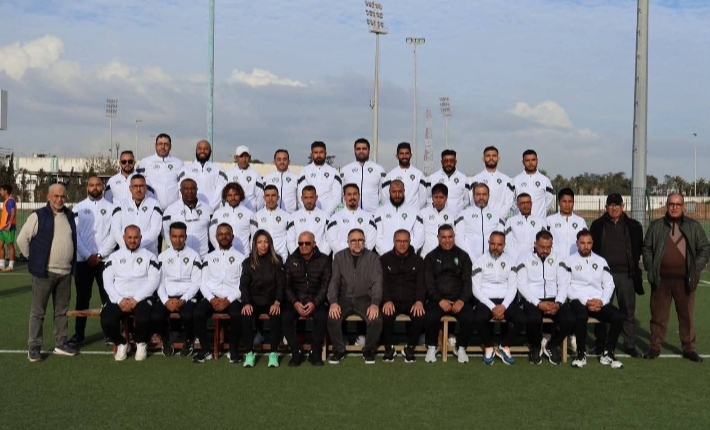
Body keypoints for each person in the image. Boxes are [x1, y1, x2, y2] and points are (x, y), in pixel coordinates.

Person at [642, 193, 709, 362]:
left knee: (686, 317)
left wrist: (695, 268)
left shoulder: (693, 226)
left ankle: (689, 349)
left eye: (678, 204)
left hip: (685, 280)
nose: (674, 207)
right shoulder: (656, 226)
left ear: (683, 206)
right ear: (667, 205)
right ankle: (654, 347)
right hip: (661, 280)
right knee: (658, 316)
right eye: (671, 204)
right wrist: (651, 267)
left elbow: (704, 248)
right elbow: (647, 248)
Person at [17, 184, 78, 361]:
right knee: (38, 312)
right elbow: (22, 239)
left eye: (62, 196)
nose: (59, 199)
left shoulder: (69, 216)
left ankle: (61, 343)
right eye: (56, 196)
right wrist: (33, 259)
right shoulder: (38, 216)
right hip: (44, 273)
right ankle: (34, 347)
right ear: (48, 197)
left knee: (62, 311)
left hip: (65, 273)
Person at [558, 230, 625, 369]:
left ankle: (608, 353)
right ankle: (581, 355)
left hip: (598, 301)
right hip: (578, 300)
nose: (586, 246)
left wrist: (602, 301)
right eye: (582, 243)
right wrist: (585, 301)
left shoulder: (601, 261)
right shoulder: (568, 262)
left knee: (618, 316)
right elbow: (565, 286)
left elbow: (609, 284)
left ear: (592, 243)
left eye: (588, 243)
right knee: (581, 316)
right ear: (577, 243)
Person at [589, 193, 644, 357]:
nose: (614, 208)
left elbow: (638, 248)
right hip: (603, 275)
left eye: (617, 205)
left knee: (628, 311)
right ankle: (600, 344)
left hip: (626, 274)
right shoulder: (597, 225)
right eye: (611, 205)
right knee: (603, 310)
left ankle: (630, 344)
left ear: (623, 206)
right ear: (606, 207)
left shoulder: (634, 226)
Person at [101, 225, 161, 361]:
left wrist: (136, 299)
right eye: (129, 237)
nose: (132, 240)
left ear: (140, 238)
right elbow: (107, 282)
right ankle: (121, 343)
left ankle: (141, 343)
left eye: (135, 237)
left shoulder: (149, 256)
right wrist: (119, 300)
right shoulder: (114, 257)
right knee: (106, 320)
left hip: (142, 298)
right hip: (119, 298)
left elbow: (154, 281)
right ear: (124, 238)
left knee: (144, 318)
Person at [69, 176, 116, 346]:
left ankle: (110, 333)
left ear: (102, 187)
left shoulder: (112, 208)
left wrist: (100, 255)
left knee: (108, 297)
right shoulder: (78, 207)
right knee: (82, 298)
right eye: (91, 185)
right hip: (83, 260)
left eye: (98, 185)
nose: (95, 188)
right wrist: (88, 254)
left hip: (105, 260)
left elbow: (114, 234)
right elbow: (75, 234)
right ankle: (79, 334)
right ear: (87, 187)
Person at [326, 229, 383, 364]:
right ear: (348, 242)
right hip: (344, 297)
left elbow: (377, 282)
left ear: (364, 241)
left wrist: (375, 303)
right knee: (332, 318)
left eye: (360, 240)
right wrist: (333, 302)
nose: (357, 243)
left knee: (376, 319)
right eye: (353, 241)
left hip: (365, 297)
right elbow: (334, 282)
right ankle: (338, 350)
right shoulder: (339, 257)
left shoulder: (373, 258)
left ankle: (368, 350)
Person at [193, 223, 246, 363]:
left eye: (227, 234)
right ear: (216, 237)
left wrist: (228, 300)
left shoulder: (241, 258)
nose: (224, 237)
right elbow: (203, 282)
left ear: (232, 236)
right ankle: (205, 350)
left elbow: (243, 285)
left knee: (237, 314)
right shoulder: (209, 257)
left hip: (232, 298)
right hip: (213, 297)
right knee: (197, 313)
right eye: (220, 234)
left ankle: (233, 350)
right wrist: (211, 299)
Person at [515, 230, 570, 365]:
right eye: (542, 247)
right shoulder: (524, 258)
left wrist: (558, 303)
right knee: (533, 318)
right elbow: (521, 284)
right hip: (532, 298)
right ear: (535, 244)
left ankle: (552, 346)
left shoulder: (559, 258)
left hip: (553, 298)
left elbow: (563, 283)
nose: (545, 250)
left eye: (548, 247)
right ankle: (535, 346)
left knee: (569, 318)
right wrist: (538, 303)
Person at [423, 224, 474, 364]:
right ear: (438, 238)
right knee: (431, 315)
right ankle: (432, 346)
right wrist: (440, 300)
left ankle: (461, 347)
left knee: (469, 316)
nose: (447, 240)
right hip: (438, 300)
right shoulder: (430, 257)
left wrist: (462, 300)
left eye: (450, 237)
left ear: (454, 237)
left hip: (458, 299)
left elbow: (467, 282)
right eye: (444, 237)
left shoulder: (463, 256)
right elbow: (429, 283)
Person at [472, 231, 525, 365]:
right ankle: (489, 347)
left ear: (504, 245)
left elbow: (513, 287)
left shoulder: (511, 262)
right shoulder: (479, 261)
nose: (495, 247)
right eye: (493, 244)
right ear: (488, 243)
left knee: (522, 318)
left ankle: (504, 346)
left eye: (499, 245)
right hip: (486, 300)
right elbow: (476, 289)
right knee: (478, 318)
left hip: (505, 300)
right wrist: (493, 307)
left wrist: (504, 306)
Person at [152, 222, 202, 358]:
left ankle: (189, 339)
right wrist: (166, 301)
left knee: (188, 315)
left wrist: (183, 299)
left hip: (187, 296)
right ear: (170, 237)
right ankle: (166, 339)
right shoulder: (162, 257)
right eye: (174, 236)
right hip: (167, 296)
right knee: (156, 316)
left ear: (185, 237)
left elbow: (196, 283)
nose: (178, 240)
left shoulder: (194, 256)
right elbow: (159, 282)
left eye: (181, 236)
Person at [283, 231, 331, 366]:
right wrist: (295, 302)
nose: (303, 246)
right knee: (285, 317)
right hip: (296, 300)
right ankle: (296, 351)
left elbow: (325, 285)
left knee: (322, 316)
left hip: (316, 300)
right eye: (300, 243)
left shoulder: (324, 260)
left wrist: (314, 303)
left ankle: (315, 352)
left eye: (307, 243)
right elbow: (286, 285)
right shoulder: (291, 260)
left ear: (314, 244)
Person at [240, 230, 285, 368]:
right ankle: (249, 353)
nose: (263, 245)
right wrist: (246, 303)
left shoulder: (277, 260)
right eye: (260, 242)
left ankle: (273, 353)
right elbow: (244, 285)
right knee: (246, 315)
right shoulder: (248, 262)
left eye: (266, 242)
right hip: (254, 301)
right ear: (255, 244)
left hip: (271, 301)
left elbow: (281, 284)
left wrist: (277, 302)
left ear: (270, 243)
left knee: (276, 315)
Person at [379, 229, 425, 363]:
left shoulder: (418, 260)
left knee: (420, 315)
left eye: (405, 241)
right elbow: (382, 283)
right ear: (393, 242)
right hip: (392, 300)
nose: (402, 244)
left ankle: (410, 348)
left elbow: (421, 284)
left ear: (410, 242)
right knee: (386, 314)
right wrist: (386, 300)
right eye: (399, 241)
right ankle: (389, 348)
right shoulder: (384, 259)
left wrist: (419, 301)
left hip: (411, 301)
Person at [110, 174, 163, 256]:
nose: (138, 189)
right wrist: (128, 246)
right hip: (126, 254)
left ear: (145, 188)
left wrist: (137, 245)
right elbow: (116, 230)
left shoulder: (155, 204)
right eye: (135, 186)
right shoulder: (120, 204)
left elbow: (155, 230)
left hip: (149, 254)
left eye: (141, 186)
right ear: (130, 188)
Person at [162, 178, 213, 257]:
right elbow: (166, 233)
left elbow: (212, 233)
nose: (190, 191)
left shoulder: (207, 210)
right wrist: (175, 248)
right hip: (180, 257)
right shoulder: (170, 210)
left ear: (197, 190)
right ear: (180, 190)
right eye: (186, 189)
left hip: (202, 256)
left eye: (193, 188)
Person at [454, 183, 505, 261]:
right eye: (478, 194)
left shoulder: (497, 216)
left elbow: (499, 239)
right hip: (468, 261)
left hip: (490, 261)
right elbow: (458, 239)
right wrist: (471, 258)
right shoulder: (464, 215)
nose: (481, 197)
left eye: (484, 194)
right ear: (473, 196)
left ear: (488, 196)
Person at [374, 179, 424, 255]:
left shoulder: (415, 212)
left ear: (404, 191)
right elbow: (377, 237)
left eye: (400, 192)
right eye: (394, 192)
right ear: (389, 192)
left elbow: (419, 236)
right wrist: (388, 254)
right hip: (386, 256)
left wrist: (407, 252)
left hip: (409, 256)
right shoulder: (380, 212)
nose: (397, 195)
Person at [137, 133, 184, 210]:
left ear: (170, 146)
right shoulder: (145, 162)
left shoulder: (179, 163)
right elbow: (136, 183)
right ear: (155, 145)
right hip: (152, 208)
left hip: (174, 209)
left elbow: (183, 184)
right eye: (160, 144)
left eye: (166, 144)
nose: (163, 147)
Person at [177, 140, 228, 210]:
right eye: (199, 149)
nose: (202, 151)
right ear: (196, 151)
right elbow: (181, 191)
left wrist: (208, 209)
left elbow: (220, 192)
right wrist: (190, 207)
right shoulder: (185, 170)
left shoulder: (219, 170)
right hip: (191, 210)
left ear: (211, 152)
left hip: (213, 211)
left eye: (206, 149)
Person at [327, 183, 377, 253]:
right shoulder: (335, 218)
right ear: (344, 197)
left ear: (359, 196)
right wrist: (345, 255)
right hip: (341, 257)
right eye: (349, 194)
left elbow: (371, 240)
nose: (352, 197)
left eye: (355, 194)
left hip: (363, 257)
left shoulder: (368, 217)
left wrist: (361, 253)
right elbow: (332, 240)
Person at [209, 182, 256, 255]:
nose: (233, 198)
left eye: (236, 195)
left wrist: (250, 251)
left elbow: (255, 235)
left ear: (240, 195)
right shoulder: (217, 214)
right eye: (230, 195)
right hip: (223, 255)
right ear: (226, 197)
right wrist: (219, 249)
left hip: (244, 255)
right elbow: (212, 234)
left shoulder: (249, 214)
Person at [340, 138, 386, 212]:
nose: (361, 151)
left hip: (372, 214)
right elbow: (341, 193)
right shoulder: (345, 170)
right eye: (358, 149)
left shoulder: (379, 170)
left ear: (369, 150)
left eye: (364, 149)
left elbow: (383, 195)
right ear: (354, 151)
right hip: (351, 214)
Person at [469, 146, 515, 219]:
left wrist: (497, 217)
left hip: (500, 220)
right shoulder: (476, 179)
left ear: (498, 159)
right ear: (483, 159)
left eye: (494, 156)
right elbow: (472, 200)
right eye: (488, 156)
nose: (491, 158)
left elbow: (509, 202)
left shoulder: (507, 180)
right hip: (481, 219)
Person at [297, 141, 342, 215]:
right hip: (309, 214)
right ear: (311, 154)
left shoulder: (334, 172)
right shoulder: (304, 171)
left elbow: (337, 197)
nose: (318, 155)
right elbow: (300, 195)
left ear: (325, 154)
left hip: (329, 215)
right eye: (316, 152)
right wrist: (310, 212)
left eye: (321, 152)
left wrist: (325, 214)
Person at [382, 142, 428, 210]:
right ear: (397, 156)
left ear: (411, 155)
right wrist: (394, 210)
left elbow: (423, 197)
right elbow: (385, 197)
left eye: (407, 153)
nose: (404, 156)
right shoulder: (390, 176)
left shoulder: (419, 175)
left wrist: (414, 210)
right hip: (395, 213)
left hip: (414, 212)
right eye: (401, 154)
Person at [503, 193, 548, 261]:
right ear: (518, 205)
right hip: (515, 260)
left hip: (535, 260)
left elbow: (544, 243)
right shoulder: (511, 222)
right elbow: (506, 244)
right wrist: (515, 258)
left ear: (531, 204)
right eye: (522, 203)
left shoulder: (541, 222)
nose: (525, 205)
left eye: (528, 203)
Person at [287, 185, 331, 255]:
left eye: (311, 197)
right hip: (299, 257)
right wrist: (297, 256)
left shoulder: (325, 216)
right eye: (306, 198)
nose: (309, 201)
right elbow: (290, 240)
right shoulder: (294, 217)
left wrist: (322, 256)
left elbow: (328, 240)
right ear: (302, 198)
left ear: (316, 198)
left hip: (319, 257)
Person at [425, 149, 470, 216]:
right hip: (438, 218)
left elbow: (466, 201)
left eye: (451, 161)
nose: (448, 163)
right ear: (442, 162)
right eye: (446, 161)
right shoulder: (432, 178)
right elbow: (428, 199)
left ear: (455, 162)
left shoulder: (463, 179)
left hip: (457, 218)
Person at [512, 149, 554, 219]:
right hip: (520, 221)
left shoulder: (545, 180)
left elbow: (549, 200)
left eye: (533, 160)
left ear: (537, 161)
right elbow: (511, 200)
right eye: (527, 160)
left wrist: (540, 213)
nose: (530, 163)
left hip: (539, 221)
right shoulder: (516, 180)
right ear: (523, 162)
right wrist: (518, 211)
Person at [254, 184, 292, 262]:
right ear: (264, 198)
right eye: (267, 196)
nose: (270, 199)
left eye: (273, 195)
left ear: (278, 197)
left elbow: (290, 239)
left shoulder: (287, 216)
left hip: (281, 258)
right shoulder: (256, 216)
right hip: (262, 259)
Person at [546, 188, 587, 256]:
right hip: (556, 260)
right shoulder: (549, 220)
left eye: (570, 201)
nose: (567, 205)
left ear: (573, 202)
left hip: (574, 260)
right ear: (559, 202)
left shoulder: (581, 221)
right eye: (564, 201)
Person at [419, 183, 456, 257]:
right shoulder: (423, 214)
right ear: (432, 198)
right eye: (436, 197)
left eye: (441, 197)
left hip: (446, 256)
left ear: (446, 198)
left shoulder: (452, 215)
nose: (438, 200)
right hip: (426, 255)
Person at [226, 145, 265, 212]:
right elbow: (224, 195)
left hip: (250, 212)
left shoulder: (255, 175)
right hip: (232, 212)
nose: (244, 159)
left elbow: (260, 196)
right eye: (241, 156)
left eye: (246, 156)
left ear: (250, 158)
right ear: (236, 158)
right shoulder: (228, 174)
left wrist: (255, 212)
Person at [262, 149, 299, 213]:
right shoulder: (267, 178)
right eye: (279, 159)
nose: (282, 162)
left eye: (284, 159)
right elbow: (263, 199)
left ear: (289, 162)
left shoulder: (296, 178)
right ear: (274, 162)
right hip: (272, 215)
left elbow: (300, 200)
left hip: (290, 216)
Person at [0, 183, 17, 271]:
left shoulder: (10, 201)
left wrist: (9, 224)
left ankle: (10, 266)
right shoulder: (6, 201)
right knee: (0, 245)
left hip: (8, 227)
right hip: (2, 227)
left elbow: (13, 212)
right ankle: (1, 265)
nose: (0, 192)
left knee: (10, 245)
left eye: (1, 190)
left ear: (6, 191)